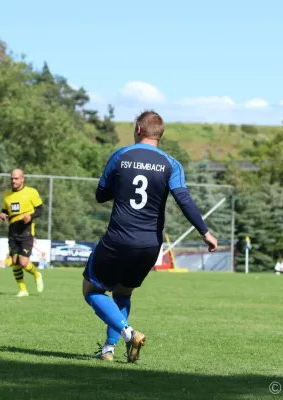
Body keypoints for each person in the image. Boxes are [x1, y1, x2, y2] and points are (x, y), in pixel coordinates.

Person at [82, 110, 218, 363]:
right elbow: (184, 199)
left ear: (138, 129)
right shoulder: (171, 164)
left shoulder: (121, 155)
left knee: (91, 290)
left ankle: (128, 333)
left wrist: (121, 186)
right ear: (160, 134)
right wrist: (205, 232)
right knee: (122, 293)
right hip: (149, 245)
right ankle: (108, 351)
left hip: (118, 239)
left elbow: (101, 195)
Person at [0, 169, 44, 297]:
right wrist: (3, 215)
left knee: (23, 262)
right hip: (12, 231)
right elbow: (5, 211)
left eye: (16, 178)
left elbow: (40, 210)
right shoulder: (7, 195)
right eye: (12, 178)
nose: (13, 181)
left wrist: (31, 216)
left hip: (26, 231)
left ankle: (36, 274)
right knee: (14, 262)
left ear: (22, 179)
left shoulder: (31, 192)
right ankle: (23, 290)